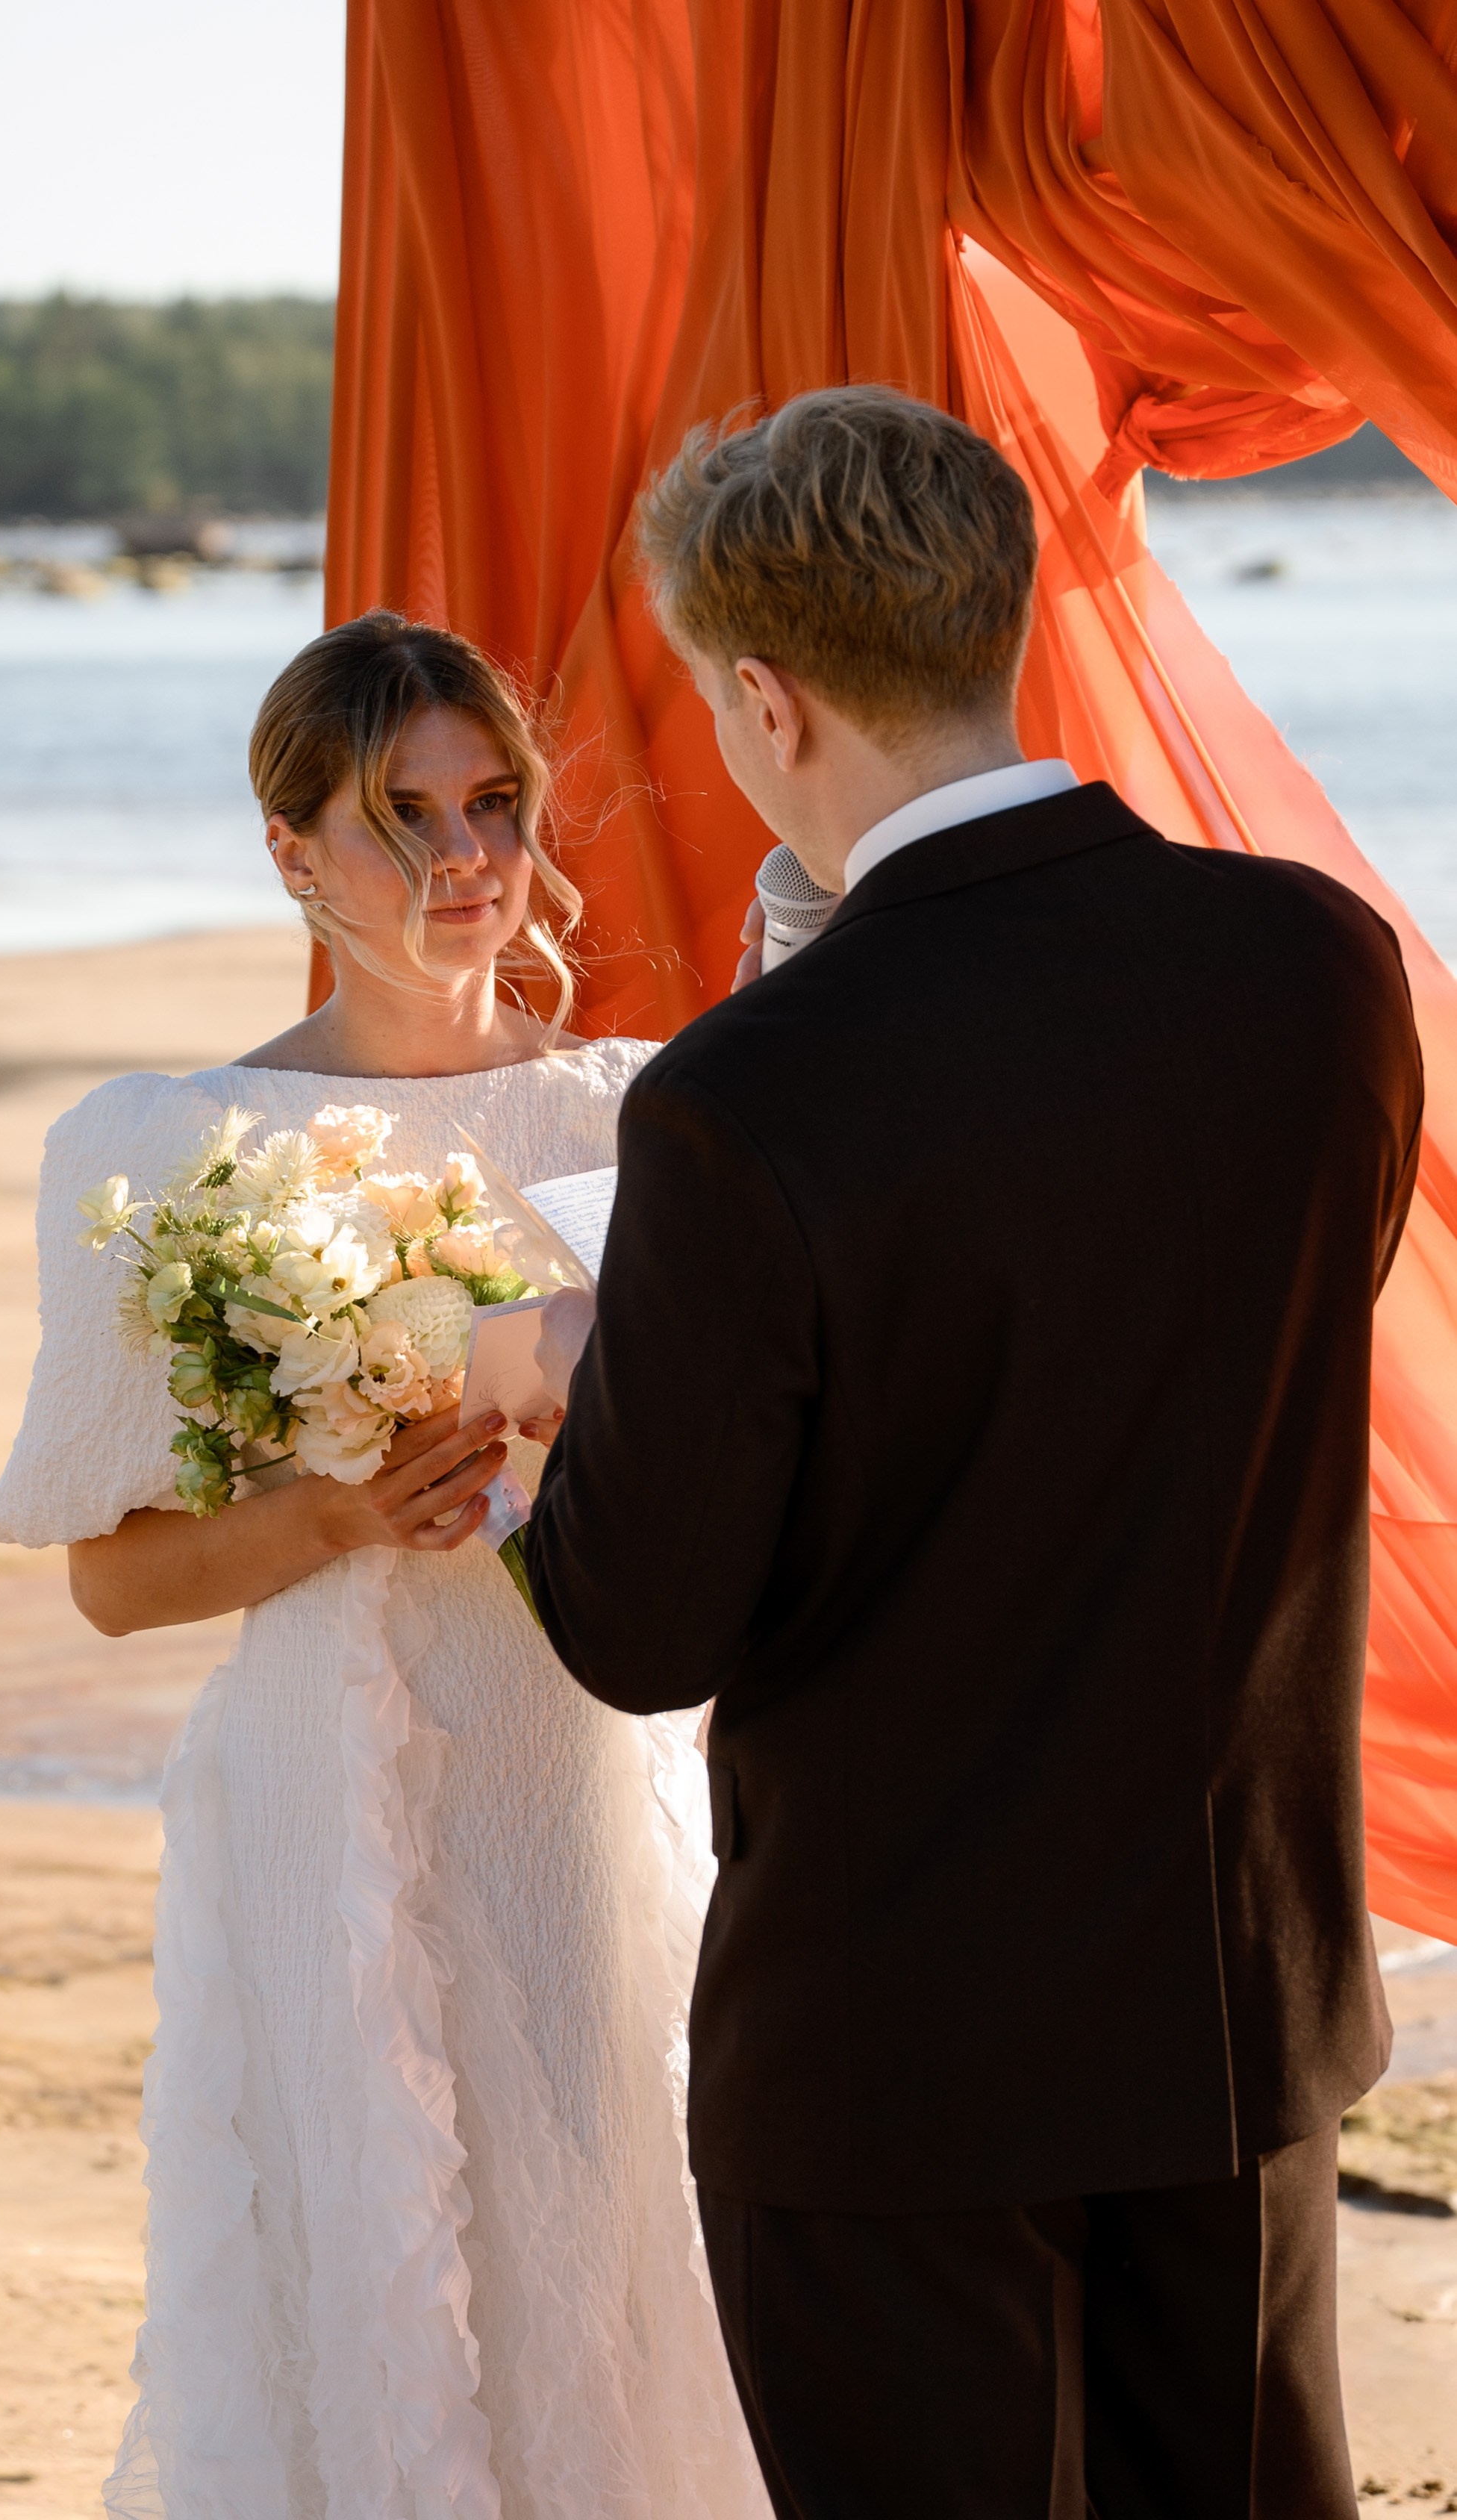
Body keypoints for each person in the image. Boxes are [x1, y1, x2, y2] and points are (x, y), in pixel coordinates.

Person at [525, 388, 1425, 2518]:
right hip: (1236, 1994)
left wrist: (568, 1382)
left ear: (767, 697)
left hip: (894, 2044)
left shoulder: (748, 1096)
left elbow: (641, 1629)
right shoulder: (1318, 967)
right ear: (989, 617)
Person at [0, 612, 766, 2520]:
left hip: (577, 1768)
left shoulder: (639, 1116)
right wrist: (338, 1511)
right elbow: (113, 1580)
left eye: (493, 801)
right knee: (354, 2261)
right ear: (293, 851)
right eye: (401, 814)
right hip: (312, 1796)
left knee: (610, 2238)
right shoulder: (172, 1148)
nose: (465, 856)